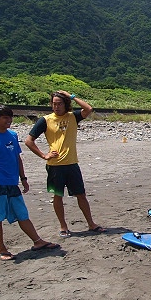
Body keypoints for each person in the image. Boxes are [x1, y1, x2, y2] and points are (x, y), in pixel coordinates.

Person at [0, 104, 60, 260]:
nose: (9, 120)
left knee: (22, 214)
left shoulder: (12, 135)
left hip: (12, 183)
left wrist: (23, 178)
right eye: (5, 117)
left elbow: (17, 158)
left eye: (10, 117)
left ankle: (38, 241)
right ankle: (1, 249)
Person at [25, 90, 105, 237]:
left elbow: (88, 109)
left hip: (72, 164)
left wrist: (71, 96)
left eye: (59, 103)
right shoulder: (45, 120)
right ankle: (63, 227)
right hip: (55, 166)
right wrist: (44, 155)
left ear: (65, 104)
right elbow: (29, 141)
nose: (56, 107)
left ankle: (91, 224)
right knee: (57, 196)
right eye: (54, 104)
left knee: (81, 195)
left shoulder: (72, 117)